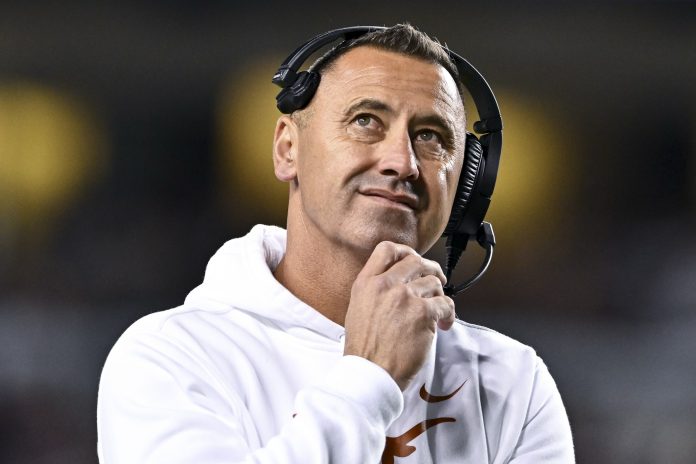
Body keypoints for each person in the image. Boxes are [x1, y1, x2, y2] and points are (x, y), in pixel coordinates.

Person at [97, 24, 574, 463]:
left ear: (464, 183)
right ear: (288, 149)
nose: (401, 161)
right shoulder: (169, 358)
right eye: (366, 121)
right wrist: (369, 380)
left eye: (430, 136)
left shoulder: (513, 382)